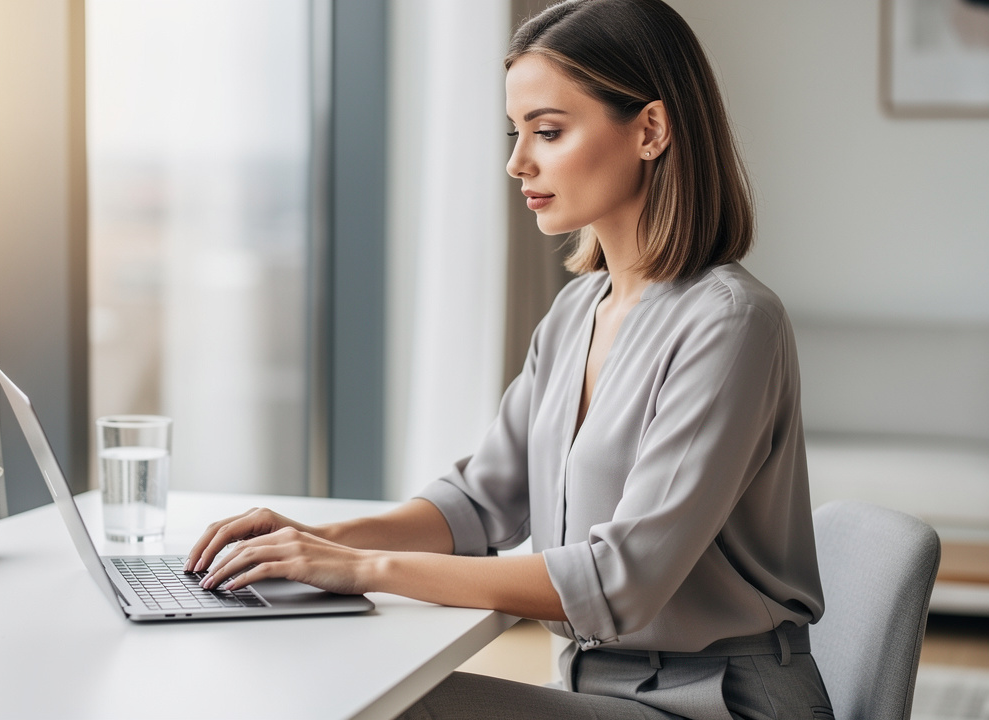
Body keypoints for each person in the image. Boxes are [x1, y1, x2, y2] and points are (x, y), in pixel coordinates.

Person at [187, 0, 833, 717]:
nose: (516, 162)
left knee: (391, 707)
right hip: (604, 686)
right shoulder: (575, 312)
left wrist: (364, 569)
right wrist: (310, 539)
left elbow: (622, 581)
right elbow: (480, 501)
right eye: (516, 132)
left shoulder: (732, 325)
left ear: (650, 129)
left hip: (718, 703)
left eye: (548, 132)